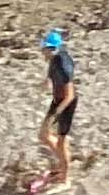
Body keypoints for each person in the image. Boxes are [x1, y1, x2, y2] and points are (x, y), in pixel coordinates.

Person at [29, 26, 78, 188]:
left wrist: (57, 114)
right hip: (57, 101)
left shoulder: (64, 65)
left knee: (61, 141)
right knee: (44, 134)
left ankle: (66, 179)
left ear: (51, 49)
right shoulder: (54, 59)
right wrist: (45, 84)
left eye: (44, 49)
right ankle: (63, 163)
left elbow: (70, 95)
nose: (42, 52)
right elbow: (51, 76)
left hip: (66, 105)